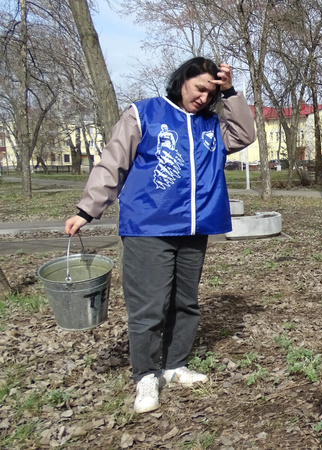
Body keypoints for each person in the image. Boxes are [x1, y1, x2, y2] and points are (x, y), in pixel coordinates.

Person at [65, 57, 256, 413]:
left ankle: (175, 364)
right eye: (200, 88)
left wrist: (230, 91)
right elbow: (113, 162)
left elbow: (245, 134)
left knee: (186, 302)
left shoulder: (211, 126)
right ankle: (146, 376)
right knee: (149, 307)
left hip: (194, 228)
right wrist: (86, 210)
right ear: (182, 80)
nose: (203, 98)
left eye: (211, 93)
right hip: (148, 227)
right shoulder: (143, 114)